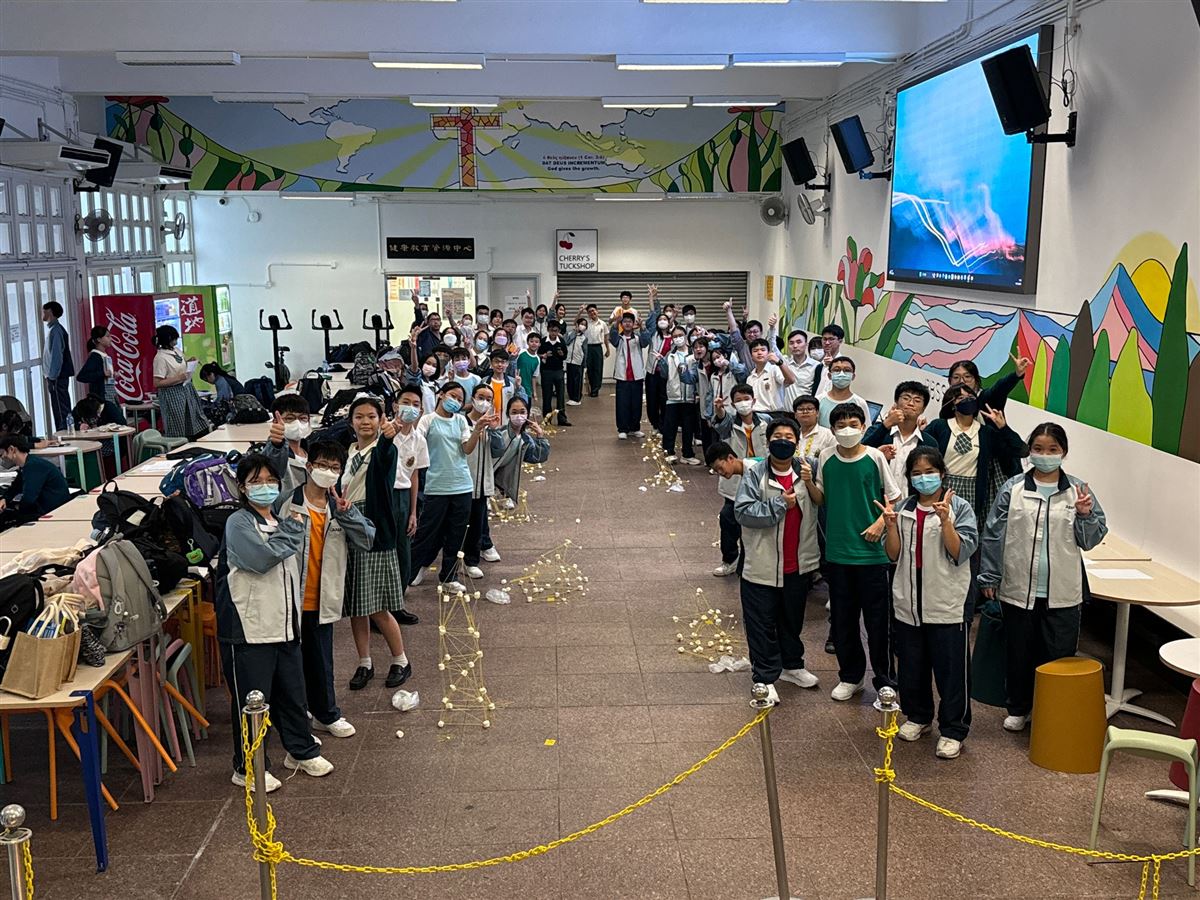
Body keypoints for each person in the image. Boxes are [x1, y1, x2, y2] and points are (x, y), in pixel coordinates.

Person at [978, 423, 1107, 733]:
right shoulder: (1013, 488)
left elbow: (1091, 539)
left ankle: (1051, 710)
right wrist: (989, 576)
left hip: (1062, 590)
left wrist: (1085, 515)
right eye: (1038, 449)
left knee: (1058, 654)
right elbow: (994, 534)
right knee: (1019, 652)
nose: (1045, 455)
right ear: (1029, 451)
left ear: (1064, 452)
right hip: (1019, 586)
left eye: (1052, 450)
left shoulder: (1077, 490)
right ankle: (1018, 707)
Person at [215, 453, 332, 792]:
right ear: (242, 487)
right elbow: (260, 559)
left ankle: (301, 750)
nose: (264, 487)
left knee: (293, 695)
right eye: (256, 481)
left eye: (270, 481)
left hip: (285, 626)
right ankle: (248, 767)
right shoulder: (238, 523)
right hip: (248, 630)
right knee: (253, 702)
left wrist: (289, 530)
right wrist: (293, 532)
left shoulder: (280, 522)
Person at [879, 447, 978, 760]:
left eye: (930, 472)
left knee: (952, 672)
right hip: (909, 603)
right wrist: (890, 526)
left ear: (942, 473)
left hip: (947, 603)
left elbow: (961, 552)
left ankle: (953, 729)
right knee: (912, 666)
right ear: (909, 478)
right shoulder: (904, 508)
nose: (924, 478)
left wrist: (946, 521)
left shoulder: (959, 507)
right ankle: (918, 716)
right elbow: (893, 555)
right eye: (917, 473)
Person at [276, 441, 375, 741]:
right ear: (309, 467)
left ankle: (326, 714)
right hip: (289, 598)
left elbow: (367, 539)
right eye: (322, 465)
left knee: (321, 661)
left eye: (334, 468)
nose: (327, 472)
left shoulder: (338, 507)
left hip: (321, 599)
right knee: (290, 664)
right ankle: (297, 717)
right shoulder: (288, 502)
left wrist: (348, 514)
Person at [806, 402, 903, 701]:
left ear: (863, 427)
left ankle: (885, 680)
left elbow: (894, 497)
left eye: (853, 424)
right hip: (838, 553)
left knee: (878, 623)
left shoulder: (874, 456)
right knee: (843, 621)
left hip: (872, 555)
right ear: (832, 429)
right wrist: (808, 482)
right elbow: (821, 498)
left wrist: (880, 524)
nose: (847, 429)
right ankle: (851, 677)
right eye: (841, 425)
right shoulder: (826, 456)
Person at [733, 418, 822, 704]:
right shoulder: (755, 474)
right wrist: (780, 503)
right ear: (768, 441)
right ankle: (765, 676)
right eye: (777, 436)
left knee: (792, 619)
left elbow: (821, 500)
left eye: (789, 437)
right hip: (762, 564)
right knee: (761, 623)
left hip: (798, 563)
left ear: (797, 442)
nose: (783, 441)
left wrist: (809, 482)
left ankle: (792, 666)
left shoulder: (808, 469)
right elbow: (743, 512)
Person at [340, 396, 412, 692]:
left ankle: (401, 660)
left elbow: (383, 461)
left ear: (381, 420)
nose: (365, 422)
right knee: (357, 606)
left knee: (378, 606)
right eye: (359, 417)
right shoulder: (350, 451)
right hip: (349, 530)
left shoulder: (384, 449)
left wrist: (387, 438)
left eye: (371, 416)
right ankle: (365, 662)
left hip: (373, 532)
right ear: (351, 422)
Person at [410, 382, 488, 585]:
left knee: (456, 533)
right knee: (427, 532)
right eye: (453, 396)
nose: (456, 401)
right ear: (441, 395)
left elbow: (467, 449)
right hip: (437, 485)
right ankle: (411, 572)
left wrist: (477, 430)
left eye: (460, 400)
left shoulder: (461, 420)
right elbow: (416, 443)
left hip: (462, 484)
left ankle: (449, 576)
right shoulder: (428, 420)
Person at [710, 384, 771, 575]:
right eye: (738, 400)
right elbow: (720, 421)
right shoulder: (730, 423)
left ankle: (751, 561)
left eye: (746, 399)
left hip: (760, 478)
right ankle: (730, 559)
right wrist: (719, 410)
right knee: (728, 519)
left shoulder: (766, 421)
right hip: (735, 481)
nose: (743, 403)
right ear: (733, 404)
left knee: (755, 523)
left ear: (753, 400)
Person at [462, 383, 502, 579]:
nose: (484, 402)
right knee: (458, 522)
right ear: (472, 398)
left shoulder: (491, 424)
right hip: (461, 480)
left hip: (481, 482)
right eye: (480, 397)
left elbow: (497, 450)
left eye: (488, 399)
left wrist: (493, 430)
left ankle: (471, 560)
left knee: (477, 522)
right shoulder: (461, 422)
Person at [864, 381, 938, 485]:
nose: (911, 403)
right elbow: (859, 454)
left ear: (923, 408)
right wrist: (886, 425)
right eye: (906, 398)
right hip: (876, 493)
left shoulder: (929, 443)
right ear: (896, 402)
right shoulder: (878, 430)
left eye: (917, 400)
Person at [490, 395, 551, 511]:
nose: (518, 416)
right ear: (508, 414)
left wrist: (540, 436)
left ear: (527, 414)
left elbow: (538, 457)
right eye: (514, 412)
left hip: (504, 474)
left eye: (522, 412)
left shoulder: (525, 439)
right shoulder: (500, 433)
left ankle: (505, 493)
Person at [0, 434, 70, 527]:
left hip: (51, 513)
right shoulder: (29, 463)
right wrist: (5, 499)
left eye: (2, 454)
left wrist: (16, 508)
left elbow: (29, 499)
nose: (2, 458)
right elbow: (16, 486)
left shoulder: (32, 467)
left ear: (12, 449)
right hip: (48, 508)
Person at [152, 325, 208, 440]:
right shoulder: (160, 358)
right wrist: (179, 378)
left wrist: (189, 362)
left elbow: (180, 365)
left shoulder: (176, 351)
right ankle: (180, 444)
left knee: (194, 418)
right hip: (172, 394)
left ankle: (194, 440)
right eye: (174, 338)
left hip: (186, 389)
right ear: (167, 339)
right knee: (178, 423)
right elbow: (157, 383)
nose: (176, 341)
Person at [704, 441, 750, 577]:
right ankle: (731, 560)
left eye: (720, 467)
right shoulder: (740, 472)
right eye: (716, 471)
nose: (720, 473)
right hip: (736, 496)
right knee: (727, 517)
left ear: (730, 458)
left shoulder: (756, 470)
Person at [609, 311, 653, 440]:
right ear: (622, 324)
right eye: (625, 321)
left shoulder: (638, 338)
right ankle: (623, 429)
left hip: (636, 376)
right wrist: (616, 323)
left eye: (630, 321)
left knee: (636, 404)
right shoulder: (618, 338)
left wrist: (643, 327)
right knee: (622, 404)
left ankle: (635, 428)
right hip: (622, 376)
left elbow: (646, 342)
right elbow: (612, 337)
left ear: (633, 324)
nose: (627, 324)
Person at [662, 326, 700, 464]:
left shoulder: (693, 354)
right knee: (670, 426)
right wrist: (661, 363)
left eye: (680, 335)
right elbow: (664, 375)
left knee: (688, 427)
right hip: (673, 396)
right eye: (675, 336)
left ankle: (687, 454)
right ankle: (669, 452)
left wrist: (697, 392)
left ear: (685, 336)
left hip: (689, 396)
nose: (678, 338)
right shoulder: (670, 355)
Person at [948, 355, 1030, 413]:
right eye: (956, 377)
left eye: (967, 376)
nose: (961, 381)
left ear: (976, 380)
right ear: (950, 381)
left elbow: (1001, 387)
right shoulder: (948, 403)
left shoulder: (987, 398)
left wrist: (1017, 374)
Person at [41, 300, 75, 431]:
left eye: (44, 311)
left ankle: (64, 432)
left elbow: (57, 356)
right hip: (56, 376)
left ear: (50, 312)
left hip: (57, 376)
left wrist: (52, 376)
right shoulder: (54, 330)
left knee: (60, 407)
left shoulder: (56, 331)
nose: (42, 314)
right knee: (59, 405)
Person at [816, 356, 869, 427]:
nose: (841, 374)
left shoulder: (860, 403)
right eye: (836, 370)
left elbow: (867, 429)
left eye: (847, 370)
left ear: (853, 376)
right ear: (829, 376)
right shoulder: (818, 400)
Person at [645, 293, 671, 432]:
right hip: (652, 373)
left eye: (664, 319)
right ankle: (654, 424)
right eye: (660, 319)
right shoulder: (653, 333)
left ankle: (663, 425)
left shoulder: (673, 336)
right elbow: (652, 314)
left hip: (666, 375)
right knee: (652, 400)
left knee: (664, 400)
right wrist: (652, 298)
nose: (662, 321)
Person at [746, 338, 795, 412]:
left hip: (773, 414)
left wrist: (779, 362)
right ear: (751, 356)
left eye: (763, 350)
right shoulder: (750, 378)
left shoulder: (775, 369)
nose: (759, 353)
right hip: (754, 413)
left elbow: (791, 380)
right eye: (755, 351)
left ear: (768, 353)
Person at [539, 319, 571, 426]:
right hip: (546, 371)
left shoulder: (561, 341)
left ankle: (562, 419)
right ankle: (547, 419)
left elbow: (565, 356)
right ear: (548, 330)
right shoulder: (543, 341)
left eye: (556, 331)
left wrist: (562, 354)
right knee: (547, 396)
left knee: (560, 396)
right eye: (552, 330)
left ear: (559, 331)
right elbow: (537, 354)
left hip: (558, 370)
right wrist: (543, 355)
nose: (554, 333)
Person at [484, 349, 527, 428]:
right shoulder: (484, 382)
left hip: (507, 425)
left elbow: (524, 403)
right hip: (488, 425)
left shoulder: (513, 382)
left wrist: (518, 388)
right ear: (491, 363)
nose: (500, 365)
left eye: (503, 362)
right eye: (496, 361)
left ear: (507, 364)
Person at [76, 325, 115, 402]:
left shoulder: (105, 356)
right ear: (99, 339)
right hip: (100, 398)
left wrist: (112, 375)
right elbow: (81, 376)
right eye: (107, 336)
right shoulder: (95, 357)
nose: (111, 339)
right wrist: (102, 373)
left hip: (109, 394)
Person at [723, 299, 764, 371]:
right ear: (744, 333)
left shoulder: (766, 346)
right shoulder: (741, 345)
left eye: (755, 332)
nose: (752, 334)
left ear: (761, 332)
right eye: (749, 332)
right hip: (746, 377)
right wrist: (728, 311)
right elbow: (734, 330)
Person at [781, 329, 818, 408]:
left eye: (799, 342)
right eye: (791, 343)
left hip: (807, 410)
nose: (795, 346)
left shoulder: (816, 366)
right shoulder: (784, 363)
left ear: (806, 344)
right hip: (786, 411)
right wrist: (772, 329)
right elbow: (772, 348)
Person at [791, 395, 834, 460]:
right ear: (795, 415)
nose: (805, 412)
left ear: (817, 413)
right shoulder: (791, 435)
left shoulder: (828, 435)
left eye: (810, 409)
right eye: (801, 409)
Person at [583, 303, 609, 398]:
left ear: (597, 311)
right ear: (588, 314)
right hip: (588, 348)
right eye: (589, 312)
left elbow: (606, 337)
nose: (592, 313)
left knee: (598, 369)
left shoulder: (602, 324)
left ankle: (596, 389)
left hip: (598, 348)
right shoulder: (585, 324)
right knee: (590, 369)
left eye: (593, 310)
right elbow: (575, 324)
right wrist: (580, 311)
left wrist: (608, 349)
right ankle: (591, 388)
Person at [812, 324, 846, 396]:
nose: (827, 343)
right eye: (824, 339)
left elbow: (843, 385)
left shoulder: (845, 364)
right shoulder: (819, 366)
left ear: (840, 341)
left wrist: (834, 366)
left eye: (831, 339)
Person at [515, 332, 542, 411]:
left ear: (539, 344)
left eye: (536, 342)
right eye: (531, 341)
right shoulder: (521, 352)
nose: (534, 344)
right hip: (515, 386)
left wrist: (534, 392)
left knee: (526, 411)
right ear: (527, 342)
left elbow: (534, 377)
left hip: (527, 390)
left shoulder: (537, 359)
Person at [564, 316, 588, 406]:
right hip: (569, 360)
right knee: (570, 380)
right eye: (581, 324)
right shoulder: (570, 333)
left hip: (578, 362)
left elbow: (585, 351)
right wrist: (574, 332)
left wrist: (584, 364)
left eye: (585, 325)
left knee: (577, 381)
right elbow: (566, 342)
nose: (583, 326)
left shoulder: (584, 338)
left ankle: (577, 399)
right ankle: (571, 397)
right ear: (577, 324)